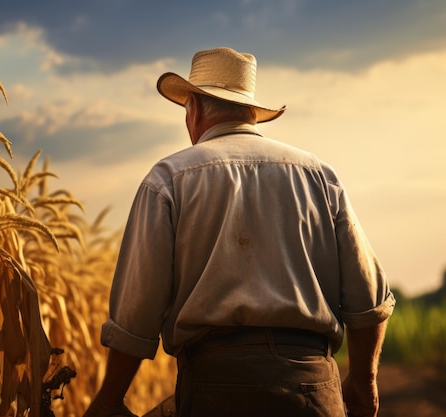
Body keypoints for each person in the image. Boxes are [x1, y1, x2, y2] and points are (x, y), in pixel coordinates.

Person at [83, 47, 395, 417]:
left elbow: (136, 315)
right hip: (313, 386)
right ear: (252, 113)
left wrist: (109, 399)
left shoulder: (167, 179)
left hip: (216, 387)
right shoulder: (319, 176)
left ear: (194, 109)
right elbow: (369, 301)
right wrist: (364, 380)